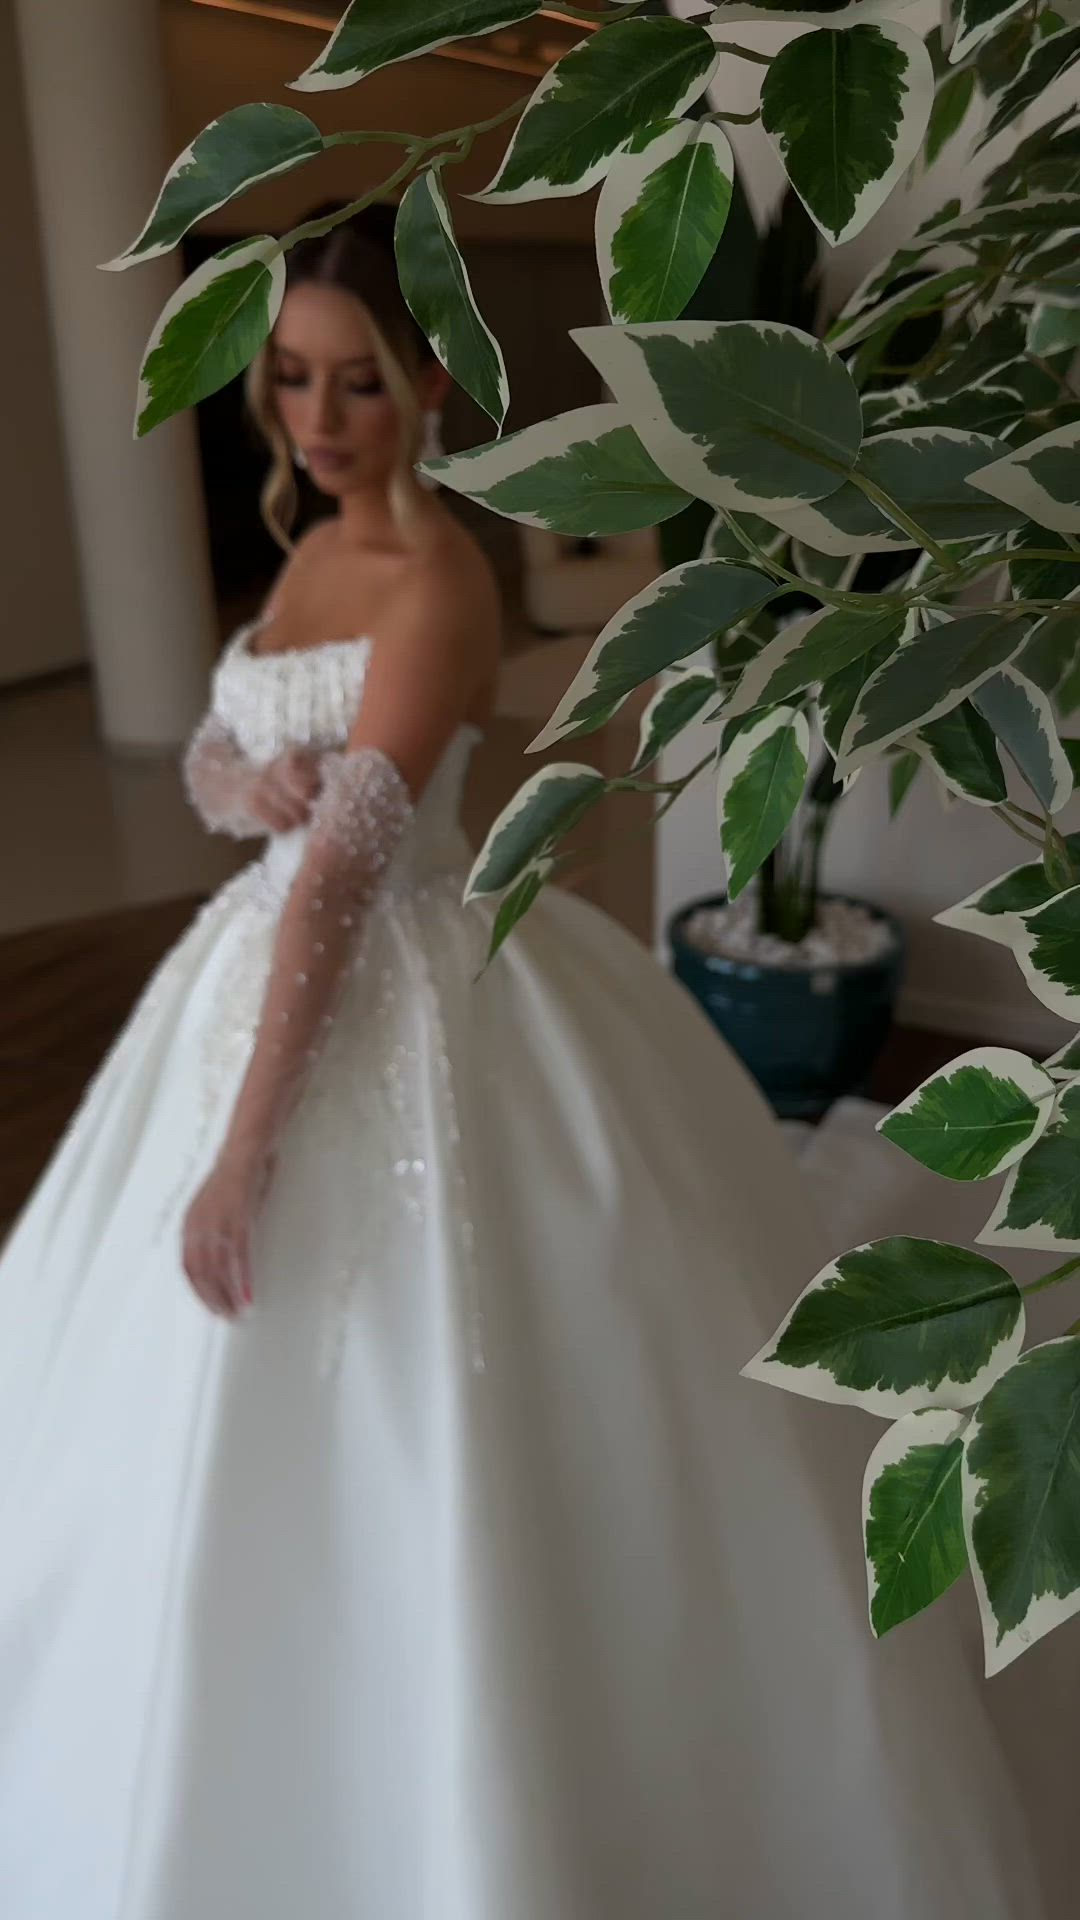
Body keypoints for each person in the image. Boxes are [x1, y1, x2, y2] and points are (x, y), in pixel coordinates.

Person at [0, 209, 1044, 1920]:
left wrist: (248, 1145)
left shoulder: (440, 583)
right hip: (255, 958)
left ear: (430, 388)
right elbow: (225, 743)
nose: (318, 421)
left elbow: (346, 879)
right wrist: (232, 784)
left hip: (398, 980)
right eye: (288, 380)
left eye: (355, 384)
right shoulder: (312, 545)